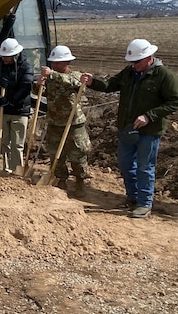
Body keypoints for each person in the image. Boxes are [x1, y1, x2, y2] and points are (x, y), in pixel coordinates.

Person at [82, 39, 178, 218]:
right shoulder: (129, 72)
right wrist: (92, 82)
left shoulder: (164, 75)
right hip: (127, 128)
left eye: (137, 62)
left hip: (149, 132)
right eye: (131, 62)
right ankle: (132, 197)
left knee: (145, 167)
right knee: (126, 165)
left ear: (149, 57)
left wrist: (149, 116)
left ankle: (144, 203)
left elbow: (174, 101)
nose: (133, 65)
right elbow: (110, 85)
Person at [38, 45, 90, 198]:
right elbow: (41, 92)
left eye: (57, 63)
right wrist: (38, 84)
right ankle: (61, 179)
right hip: (55, 122)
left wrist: (52, 74)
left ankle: (80, 180)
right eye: (53, 63)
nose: (54, 65)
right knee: (56, 155)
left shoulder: (75, 76)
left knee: (77, 154)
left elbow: (75, 84)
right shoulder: (51, 78)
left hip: (73, 123)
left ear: (67, 62)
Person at [0, 38, 33, 173]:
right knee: (3, 141)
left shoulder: (25, 67)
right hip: (2, 109)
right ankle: (6, 168)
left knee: (17, 144)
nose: (4, 59)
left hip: (19, 110)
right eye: (3, 56)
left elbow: (25, 87)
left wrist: (11, 100)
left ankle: (17, 169)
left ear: (15, 55)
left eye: (7, 57)